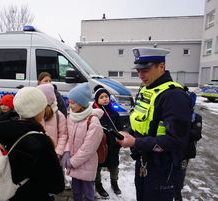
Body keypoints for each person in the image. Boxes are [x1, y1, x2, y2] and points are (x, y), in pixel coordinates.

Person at [117, 47, 192, 201]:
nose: (140, 75)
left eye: (145, 69)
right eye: (138, 70)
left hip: (164, 168)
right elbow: (142, 120)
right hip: (145, 160)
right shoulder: (147, 90)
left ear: (162, 67)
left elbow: (177, 141)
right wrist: (128, 132)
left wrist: (136, 142)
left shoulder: (174, 96)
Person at [0, 87, 65, 201]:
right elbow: (57, 185)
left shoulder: (6, 131)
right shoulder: (41, 142)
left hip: (12, 195)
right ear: (38, 110)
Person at [61, 83, 104, 201]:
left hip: (86, 164)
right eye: (69, 102)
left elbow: (88, 148)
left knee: (88, 194)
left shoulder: (93, 121)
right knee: (76, 193)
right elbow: (69, 137)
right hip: (73, 163)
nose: (70, 106)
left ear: (82, 103)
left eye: (73, 103)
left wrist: (72, 162)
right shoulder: (71, 117)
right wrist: (66, 152)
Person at [93, 85, 123, 197]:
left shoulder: (114, 113)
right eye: (101, 97)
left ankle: (114, 183)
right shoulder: (95, 114)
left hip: (113, 145)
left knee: (114, 165)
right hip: (100, 145)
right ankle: (98, 184)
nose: (105, 99)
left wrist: (120, 137)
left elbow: (120, 128)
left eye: (106, 96)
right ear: (97, 100)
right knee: (98, 165)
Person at [37, 83, 68, 157]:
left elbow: (63, 135)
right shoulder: (36, 113)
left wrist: (58, 152)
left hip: (54, 154)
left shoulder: (58, 115)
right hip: (38, 154)